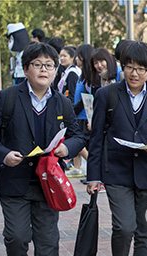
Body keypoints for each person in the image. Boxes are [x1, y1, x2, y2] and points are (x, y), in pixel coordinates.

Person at [0, 42, 85, 256]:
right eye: (37, 65)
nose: (43, 70)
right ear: (26, 69)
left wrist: (68, 148)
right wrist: (3, 154)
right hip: (14, 181)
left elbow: (77, 135)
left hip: (49, 184)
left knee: (47, 241)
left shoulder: (62, 103)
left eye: (49, 65)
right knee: (16, 236)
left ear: (56, 70)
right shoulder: (8, 98)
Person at [87, 41, 147, 256]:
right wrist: (93, 176)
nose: (134, 73)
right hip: (116, 172)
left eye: (141, 69)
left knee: (145, 231)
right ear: (122, 67)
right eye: (129, 67)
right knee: (124, 227)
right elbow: (96, 138)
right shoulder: (107, 95)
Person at [67, 44, 96, 180]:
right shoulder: (83, 74)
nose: (76, 59)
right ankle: (81, 169)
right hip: (80, 115)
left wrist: (73, 112)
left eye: (78, 56)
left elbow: (87, 99)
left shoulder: (90, 76)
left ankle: (94, 170)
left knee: (79, 144)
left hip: (84, 116)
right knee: (77, 143)